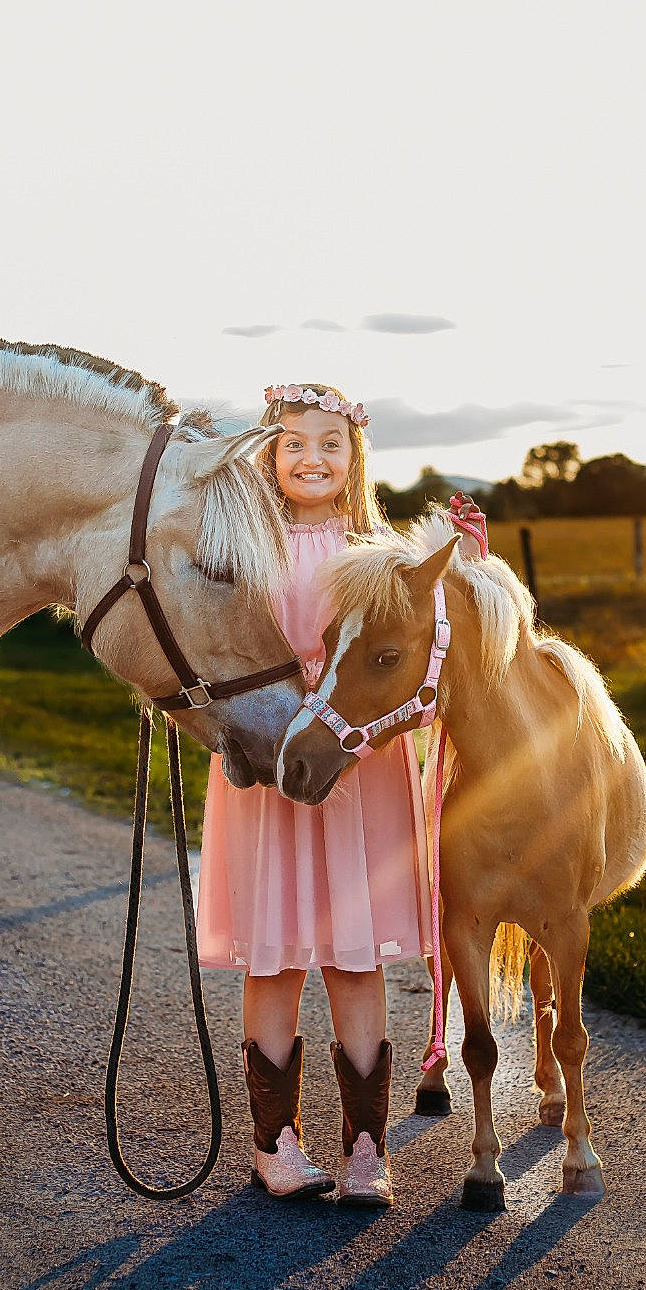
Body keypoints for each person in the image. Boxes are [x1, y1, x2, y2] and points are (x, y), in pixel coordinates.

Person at [196, 383, 432, 1207]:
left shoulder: (380, 553)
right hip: (269, 765)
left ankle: (368, 1148)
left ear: (355, 455)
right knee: (275, 954)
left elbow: (412, 650)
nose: (311, 458)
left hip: (356, 772)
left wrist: (463, 559)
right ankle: (277, 1143)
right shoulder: (240, 549)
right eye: (293, 442)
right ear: (269, 455)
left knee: (355, 954)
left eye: (329, 442)